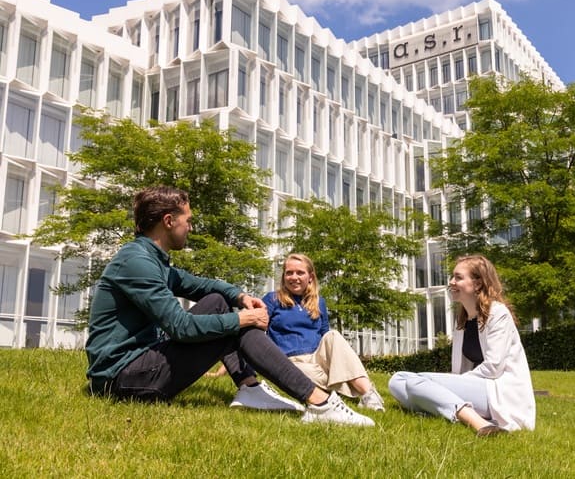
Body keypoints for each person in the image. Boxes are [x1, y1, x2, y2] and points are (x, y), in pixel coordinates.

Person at [85, 186, 374, 426]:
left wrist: (240, 297)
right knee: (231, 320)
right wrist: (243, 319)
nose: (191, 227)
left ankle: (251, 388)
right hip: (120, 379)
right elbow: (180, 327)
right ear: (169, 221)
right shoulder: (137, 262)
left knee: (218, 302)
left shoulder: (152, 260)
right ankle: (319, 403)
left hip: (138, 368)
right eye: (188, 220)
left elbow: (200, 285)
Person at [388, 255, 535, 436]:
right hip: (477, 387)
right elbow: (459, 371)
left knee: (416, 382)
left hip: (498, 391)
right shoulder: (463, 321)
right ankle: (457, 410)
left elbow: (493, 368)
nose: (451, 282)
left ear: (478, 283)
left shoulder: (498, 313)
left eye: (458, 277)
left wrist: (458, 382)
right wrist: (455, 382)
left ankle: (478, 423)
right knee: (397, 380)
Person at [263, 254, 385, 411]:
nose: (294, 277)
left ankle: (369, 394)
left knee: (333, 335)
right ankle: (340, 384)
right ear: (284, 276)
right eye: (289, 273)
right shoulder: (272, 299)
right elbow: (257, 334)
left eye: (300, 273)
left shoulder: (319, 302)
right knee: (305, 374)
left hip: (317, 359)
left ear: (311, 277)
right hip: (290, 362)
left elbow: (325, 335)